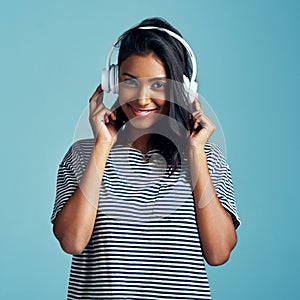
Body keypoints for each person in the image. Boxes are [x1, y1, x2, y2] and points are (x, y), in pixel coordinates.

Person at [51, 17, 240, 300]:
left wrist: (195, 152)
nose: (141, 99)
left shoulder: (206, 157)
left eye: (159, 85)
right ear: (112, 83)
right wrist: (102, 146)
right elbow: (72, 242)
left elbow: (218, 252)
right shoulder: (83, 155)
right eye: (130, 82)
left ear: (182, 89)